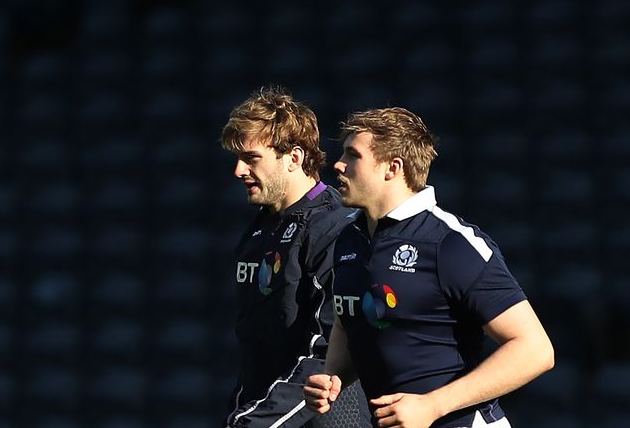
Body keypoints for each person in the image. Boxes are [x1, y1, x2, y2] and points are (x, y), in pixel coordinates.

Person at [303, 107, 554, 428]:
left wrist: (434, 405)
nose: (338, 164)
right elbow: (348, 321)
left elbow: (535, 350)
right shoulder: (348, 239)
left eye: (353, 155)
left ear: (392, 168)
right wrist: (333, 378)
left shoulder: (450, 242)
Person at [221, 86, 371, 428]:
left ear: (294, 157)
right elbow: (257, 349)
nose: (238, 171)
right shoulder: (259, 230)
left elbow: (327, 355)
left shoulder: (337, 230)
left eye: (251, 158)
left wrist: (255, 423)